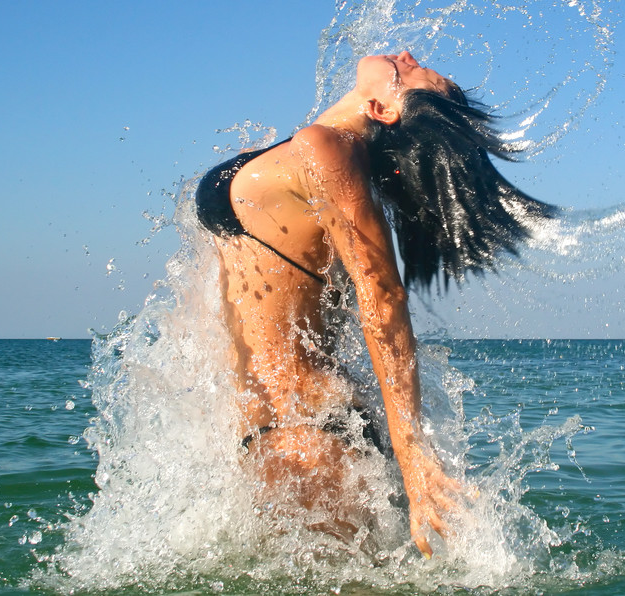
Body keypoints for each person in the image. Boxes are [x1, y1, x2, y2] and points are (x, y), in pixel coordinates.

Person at [194, 52, 555, 558]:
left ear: (383, 110)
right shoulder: (321, 158)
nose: (406, 56)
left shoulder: (326, 148)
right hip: (285, 426)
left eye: (411, 73)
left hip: (306, 430)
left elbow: (383, 297)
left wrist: (414, 463)